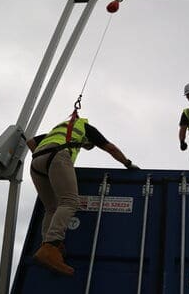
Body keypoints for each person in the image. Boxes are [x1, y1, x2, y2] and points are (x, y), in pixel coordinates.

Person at [26, 115, 139, 276]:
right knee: (70, 202)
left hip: (36, 161)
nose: (86, 146)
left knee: (51, 208)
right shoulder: (85, 128)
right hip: (57, 156)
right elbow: (110, 148)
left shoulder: (59, 130)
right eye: (88, 146)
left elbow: (30, 142)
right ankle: (51, 245)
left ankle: (48, 246)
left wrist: (47, 161)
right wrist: (128, 163)